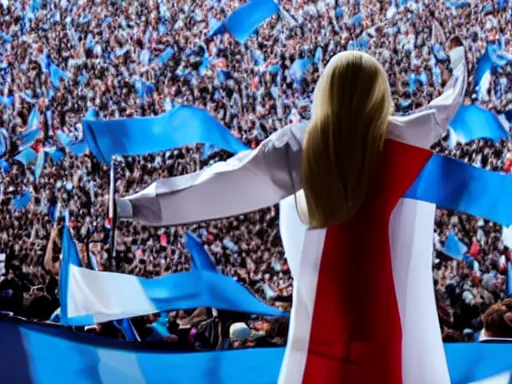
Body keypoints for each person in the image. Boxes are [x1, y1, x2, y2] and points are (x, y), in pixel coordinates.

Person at [119, 36, 467, 383]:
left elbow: (221, 183)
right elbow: (446, 106)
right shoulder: (405, 136)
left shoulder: (301, 145)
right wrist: (458, 60)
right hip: (382, 305)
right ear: (380, 92)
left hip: (327, 302)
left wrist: (136, 206)